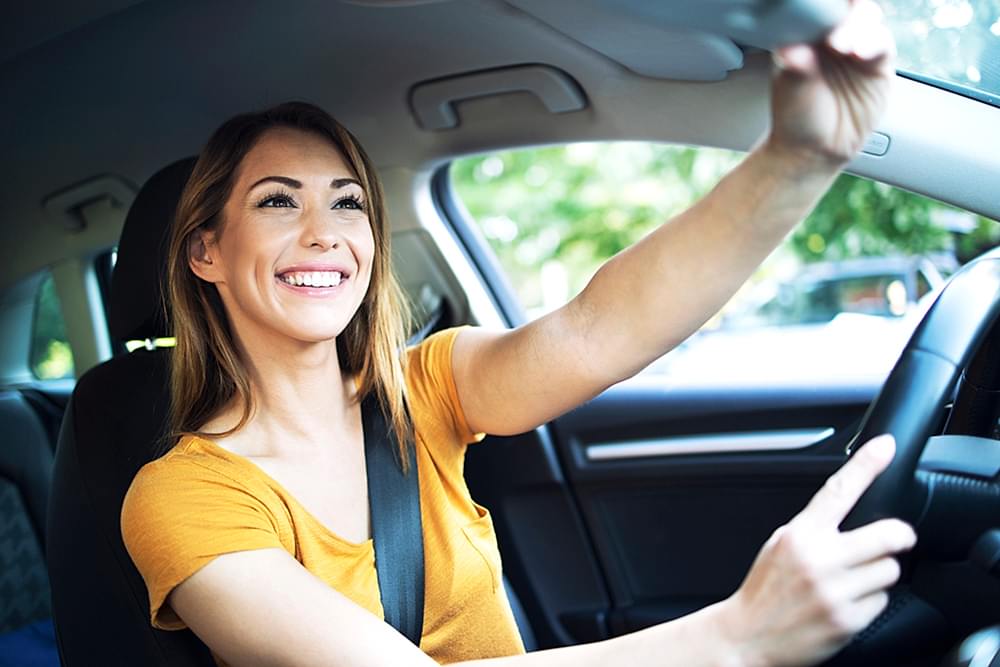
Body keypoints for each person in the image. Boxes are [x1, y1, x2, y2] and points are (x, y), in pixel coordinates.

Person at [120, 1, 917, 665]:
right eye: (277, 201)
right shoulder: (181, 497)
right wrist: (735, 635)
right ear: (207, 251)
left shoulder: (424, 387)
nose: (326, 232)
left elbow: (596, 329)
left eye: (348, 201)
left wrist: (799, 159)